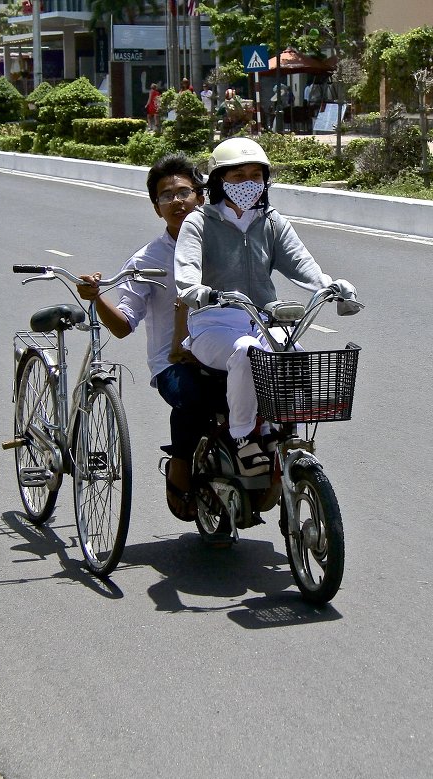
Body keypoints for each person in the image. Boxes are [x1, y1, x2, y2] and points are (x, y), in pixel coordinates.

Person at [174, 137, 357, 475]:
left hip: (260, 319)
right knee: (246, 352)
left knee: (294, 350)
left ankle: (287, 433)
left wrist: (330, 286)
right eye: (238, 176)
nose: (248, 183)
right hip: (213, 323)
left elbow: (302, 263)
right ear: (219, 181)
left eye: (256, 176)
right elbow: (186, 273)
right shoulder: (198, 222)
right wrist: (198, 292)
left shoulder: (271, 221)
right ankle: (243, 437)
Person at [75, 153, 217, 521]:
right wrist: (96, 298)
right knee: (193, 397)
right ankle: (181, 466)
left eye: (184, 192)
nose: (177, 201)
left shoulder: (227, 245)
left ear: (200, 196)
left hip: (226, 350)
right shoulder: (146, 260)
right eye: (166, 195)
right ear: (157, 208)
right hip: (175, 362)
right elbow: (123, 325)